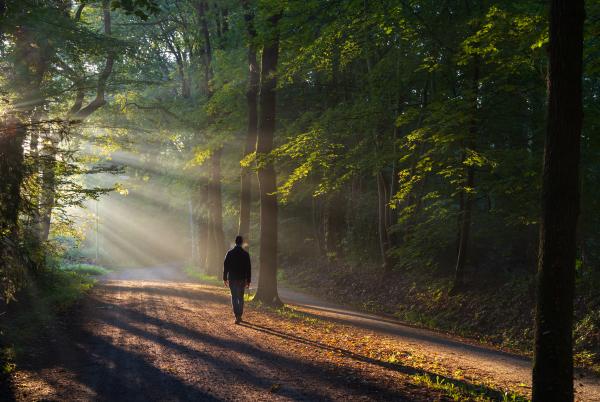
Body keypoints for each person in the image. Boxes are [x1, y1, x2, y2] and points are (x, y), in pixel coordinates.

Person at [223, 235, 251, 324]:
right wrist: (248, 280)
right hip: (242, 279)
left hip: (232, 278)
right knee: (241, 297)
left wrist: (224, 278)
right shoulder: (246, 254)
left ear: (235, 242)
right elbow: (248, 268)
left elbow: (225, 266)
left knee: (234, 297)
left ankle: (237, 316)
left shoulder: (229, 253)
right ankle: (240, 315)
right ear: (242, 243)